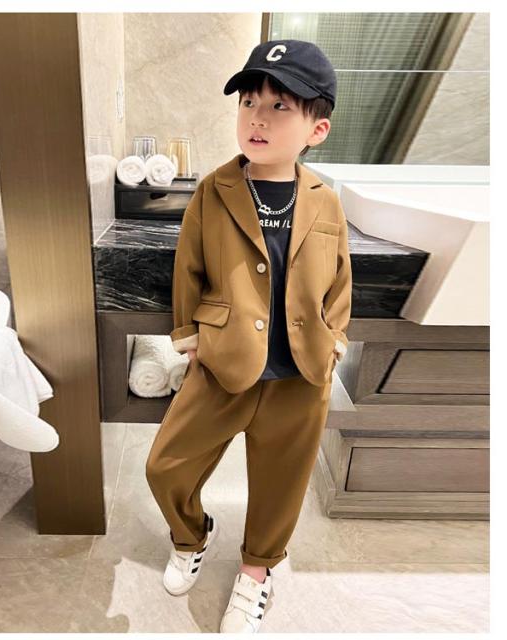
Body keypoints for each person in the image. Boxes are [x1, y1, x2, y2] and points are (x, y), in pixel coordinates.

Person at [145, 38, 352, 633]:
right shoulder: (214, 190)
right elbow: (188, 266)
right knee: (167, 466)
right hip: (224, 364)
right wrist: (189, 337)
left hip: (301, 374)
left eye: (279, 106)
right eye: (248, 102)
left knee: (281, 483)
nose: (257, 118)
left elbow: (340, 278)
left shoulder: (326, 202)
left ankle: (256, 572)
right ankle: (192, 536)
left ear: (317, 129)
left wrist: (336, 340)